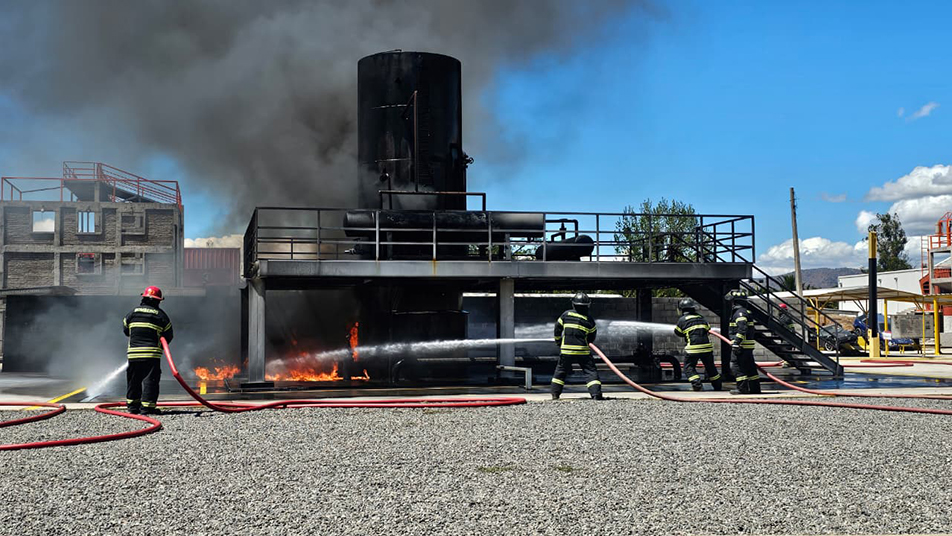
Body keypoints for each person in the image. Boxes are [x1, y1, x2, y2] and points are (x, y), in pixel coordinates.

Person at [123, 286, 173, 415]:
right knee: (150, 380)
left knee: (133, 380)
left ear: (143, 298)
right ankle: (147, 408)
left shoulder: (132, 313)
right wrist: (160, 343)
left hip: (133, 354)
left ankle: (133, 407)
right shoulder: (161, 315)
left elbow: (126, 330)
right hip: (151, 354)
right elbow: (169, 335)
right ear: (158, 301)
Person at [551, 292, 603, 400]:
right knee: (590, 372)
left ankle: (555, 394)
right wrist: (587, 342)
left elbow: (557, 329)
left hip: (566, 351)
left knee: (560, 371)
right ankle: (596, 394)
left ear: (573, 304)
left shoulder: (566, 315)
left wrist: (558, 342)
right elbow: (592, 336)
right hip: (582, 351)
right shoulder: (589, 319)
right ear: (588, 305)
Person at [674, 298, 722, 391]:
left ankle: (697, 384)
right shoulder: (701, 318)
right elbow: (708, 329)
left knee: (689, 367)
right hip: (707, 348)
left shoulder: (682, 320)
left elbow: (678, 332)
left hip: (693, 348)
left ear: (682, 309)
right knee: (710, 367)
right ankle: (717, 386)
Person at [727, 289, 760, 394]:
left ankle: (742, 388)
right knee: (750, 368)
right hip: (747, 346)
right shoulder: (745, 312)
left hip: (742, 346)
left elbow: (742, 329)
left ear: (734, 302)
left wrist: (736, 342)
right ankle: (755, 389)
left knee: (736, 366)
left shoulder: (739, 313)